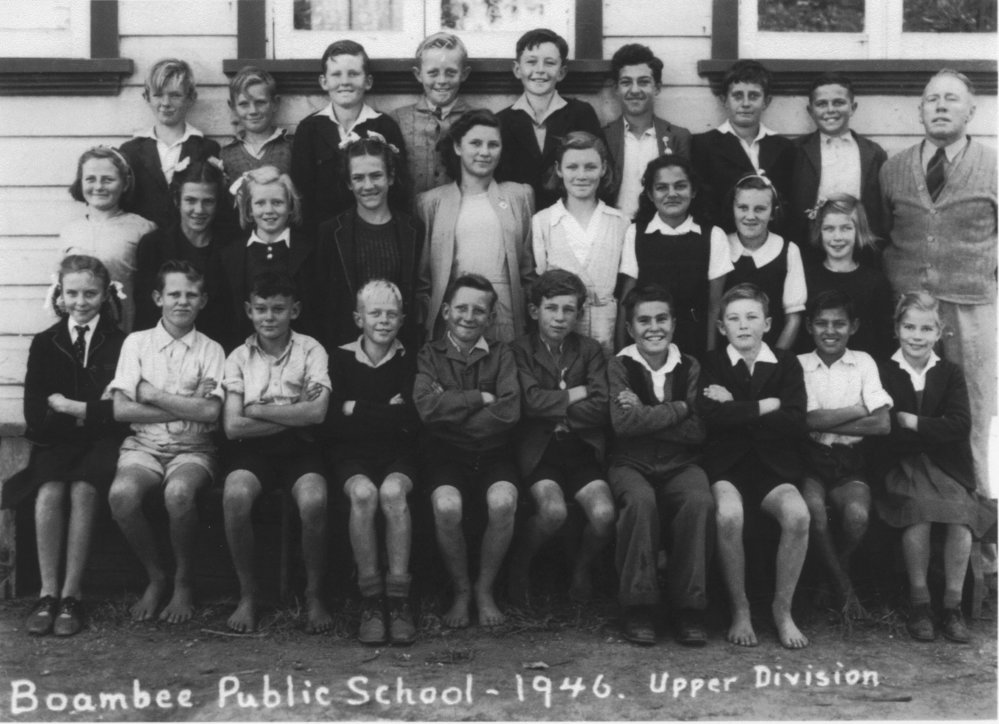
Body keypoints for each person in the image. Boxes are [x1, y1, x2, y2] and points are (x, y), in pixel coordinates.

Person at [880, 69, 997, 501]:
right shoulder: (893, 169)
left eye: (951, 99)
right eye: (932, 99)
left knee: (975, 417)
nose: (941, 106)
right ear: (920, 110)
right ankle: (911, 522)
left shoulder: (994, 166)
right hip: (907, 315)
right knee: (906, 413)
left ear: (972, 109)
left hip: (972, 309)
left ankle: (982, 545)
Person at [7, 256, 127, 636]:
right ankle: (48, 593)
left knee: (85, 491)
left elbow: (118, 411)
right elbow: (35, 412)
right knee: (47, 494)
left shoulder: (121, 342)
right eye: (72, 292)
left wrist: (72, 408)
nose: (80, 301)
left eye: (90, 293)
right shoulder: (46, 343)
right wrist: (83, 412)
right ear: (60, 293)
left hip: (100, 444)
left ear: (105, 295)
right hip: (57, 442)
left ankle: (72, 595)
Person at [874, 293, 996, 643]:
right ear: (896, 329)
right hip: (903, 467)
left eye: (926, 328)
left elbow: (959, 425)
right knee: (919, 513)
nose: (917, 335)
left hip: (946, 467)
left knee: (960, 517)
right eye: (909, 326)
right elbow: (889, 432)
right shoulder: (884, 370)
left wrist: (914, 422)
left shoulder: (949, 372)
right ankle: (919, 604)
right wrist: (930, 428)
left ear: (939, 332)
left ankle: (952, 607)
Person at [107, 260, 225, 624]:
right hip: (144, 447)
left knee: (179, 494)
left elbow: (210, 415)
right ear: (158, 297)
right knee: (122, 495)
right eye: (174, 293)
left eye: (191, 294)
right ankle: (156, 576)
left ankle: (184, 580)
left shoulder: (212, 350)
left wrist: (153, 394)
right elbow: (122, 410)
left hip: (193, 448)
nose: (182, 302)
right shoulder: (137, 343)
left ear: (203, 300)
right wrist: (187, 405)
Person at [698, 283, 810, 649]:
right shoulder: (711, 364)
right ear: (721, 327)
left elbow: (795, 420)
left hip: (773, 468)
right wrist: (766, 405)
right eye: (733, 318)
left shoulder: (786, 363)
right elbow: (713, 419)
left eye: (751, 317)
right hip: (727, 467)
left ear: (768, 323)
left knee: (798, 515)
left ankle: (782, 608)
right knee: (729, 515)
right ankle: (740, 608)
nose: (743, 325)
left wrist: (738, 407)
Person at [221, 272, 331, 635]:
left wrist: (256, 409)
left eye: (279, 309)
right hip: (252, 449)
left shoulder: (311, 349)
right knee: (235, 496)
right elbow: (233, 427)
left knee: (314, 499)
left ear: (294, 310)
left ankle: (314, 594)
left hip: (302, 449)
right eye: (261, 309)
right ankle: (248, 595)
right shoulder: (238, 357)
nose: (269, 317)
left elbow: (316, 414)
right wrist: (292, 414)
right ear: (248, 311)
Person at [608, 284, 714, 646]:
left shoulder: (690, 366)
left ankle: (689, 607)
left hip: (682, 464)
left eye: (662, 319)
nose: (653, 327)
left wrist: (646, 415)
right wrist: (679, 408)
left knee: (698, 500)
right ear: (629, 327)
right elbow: (624, 426)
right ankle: (639, 606)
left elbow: (699, 430)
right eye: (644, 320)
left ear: (673, 323)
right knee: (640, 502)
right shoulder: (619, 365)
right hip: (630, 462)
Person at [413, 274, 521, 628]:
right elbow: (426, 409)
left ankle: (484, 590)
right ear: (445, 311)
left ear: (490, 318)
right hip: (447, 456)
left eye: (479, 310)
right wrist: (478, 398)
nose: (469, 316)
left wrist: (452, 413)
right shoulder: (430, 354)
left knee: (503, 501)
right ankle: (460, 591)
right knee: (446, 505)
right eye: (461, 307)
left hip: (494, 454)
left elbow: (508, 411)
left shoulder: (503, 354)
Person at [508, 270, 614, 606]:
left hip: (580, 448)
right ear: (535, 310)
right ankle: (519, 566)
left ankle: (580, 569)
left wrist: (552, 403)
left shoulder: (590, 350)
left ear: (579, 314)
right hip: (541, 451)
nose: (559, 317)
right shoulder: (519, 350)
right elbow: (528, 402)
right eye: (552, 308)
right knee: (553, 511)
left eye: (568, 310)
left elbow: (600, 407)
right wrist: (576, 393)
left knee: (603, 513)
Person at [325, 280, 420, 645]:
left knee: (393, 493)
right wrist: (382, 410)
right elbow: (331, 419)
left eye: (391, 314)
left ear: (402, 319)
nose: (383, 321)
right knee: (363, 494)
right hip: (352, 455)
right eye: (375, 313)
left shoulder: (410, 359)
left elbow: (411, 419)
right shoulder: (339, 358)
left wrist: (356, 408)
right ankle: (370, 599)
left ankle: (398, 600)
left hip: (400, 454)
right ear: (358, 317)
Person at [798, 290, 892, 617]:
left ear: (853, 326)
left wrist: (829, 422)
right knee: (813, 508)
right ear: (809, 326)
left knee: (857, 516)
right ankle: (844, 588)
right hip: (810, 458)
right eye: (822, 323)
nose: (830, 330)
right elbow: (807, 421)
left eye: (839, 323)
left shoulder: (863, 362)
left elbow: (881, 423)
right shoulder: (800, 365)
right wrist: (856, 408)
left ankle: (834, 570)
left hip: (850, 460)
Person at [416, 109, 535, 344]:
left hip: (504, 313)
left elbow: (527, 269)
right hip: (453, 315)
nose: (484, 152)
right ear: (458, 147)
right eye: (475, 143)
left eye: (493, 145)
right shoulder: (430, 202)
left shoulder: (519, 195)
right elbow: (424, 278)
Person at [616, 155, 733, 358]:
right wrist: (620, 352)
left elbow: (715, 306)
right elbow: (626, 300)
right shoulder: (635, 233)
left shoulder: (713, 235)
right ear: (651, 195)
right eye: (662, 188)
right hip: (647, 341)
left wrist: (711, 357)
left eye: (680, 186)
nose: (672, 194)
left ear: (693, 191)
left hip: (694, 340)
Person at [316, 134, 423, 349]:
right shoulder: (331, 232)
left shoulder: (413, 229)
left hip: (401, 347)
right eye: (358, 178)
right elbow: (323, 299)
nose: (368, 185)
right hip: (346, 348)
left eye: (376, 176)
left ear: (391, 177)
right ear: (348, 182)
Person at [291, 40, 407, 233]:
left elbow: (399, 189)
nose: (344, 81)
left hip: (374, 232)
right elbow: (301, 193)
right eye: (336, 74)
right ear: (324, 81)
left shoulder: (385, 126)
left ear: (368, 81)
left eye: (353, 74)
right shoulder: (309, 129)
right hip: (322, 237)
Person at [531, 132, 628, 353]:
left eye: (590, 167)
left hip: (606, 330)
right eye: (572, 167)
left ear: (603, 168)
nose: (581, 175)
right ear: (559, 170)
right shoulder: (543, 221)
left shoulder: (620, 222)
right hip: (561, 328)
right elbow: (540, 278)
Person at [207, 166, 318, 351]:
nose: (269, 210)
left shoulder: (309, 250)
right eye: (260, 203)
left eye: (277, 202)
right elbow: (224, 315)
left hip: (299, 355)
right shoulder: (230, 255)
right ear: (249, 210)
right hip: (244, 355)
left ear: (290, 206)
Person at [497, 28, 604, 211]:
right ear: (517, 69)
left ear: (561, 72)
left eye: (549, 63)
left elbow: (600, 169)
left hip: (569, 220)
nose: (540, 70)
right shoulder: (501, 121)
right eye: (531, 62)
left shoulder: (581, 114)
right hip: (519, 221)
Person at [691, 60, 795, 236]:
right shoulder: (704, 145)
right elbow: (701, 206)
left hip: (772, 244)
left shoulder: (784, 148)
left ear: (766, 101)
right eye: (738, 96)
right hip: (723, 243)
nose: (745, 103)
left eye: (754, 96)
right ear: (725, 100)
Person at [60, 146, 156, 333]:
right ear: (81, 183)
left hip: (124, 333)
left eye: (108, 180)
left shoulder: (142, 229)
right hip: (79, 334)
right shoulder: (70, 231)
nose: (98, 187)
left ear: (125, 183)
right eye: (90, 179)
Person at [790, 73, 887, 257]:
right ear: (810, 111)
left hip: (860, 251)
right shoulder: (795, 151)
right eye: (821, 104)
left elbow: (882, 210)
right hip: (808, 251)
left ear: (853, 107)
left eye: (838, 102)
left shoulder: (873, 153)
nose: (830, 110)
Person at [118, 58, 222, 230]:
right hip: (144, 245)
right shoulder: (131, 150)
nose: (166, 103)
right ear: (146, 97)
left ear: (191, 98)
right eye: (158, 95)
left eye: (175, 95)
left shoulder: (207, 148)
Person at [602, 43, 692, 220]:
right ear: (616, 89)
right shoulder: (603, 137)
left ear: (657, 87)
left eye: (643, 82)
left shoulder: (678, 137)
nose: (635, 90)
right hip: (613, 230)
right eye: (626, 82)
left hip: (659, 232)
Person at [135, 160, 227, 331]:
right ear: (177, 200)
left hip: (218, 348)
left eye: (208, 201)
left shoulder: (231, 247)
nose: (199, 210)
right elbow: (144, 311)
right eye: (190, 200)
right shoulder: (154, 245)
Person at [798, 195, 893, 359]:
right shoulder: (805, 278)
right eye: (829, 228)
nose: (837, 237)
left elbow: (884, 342)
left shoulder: (875, 282)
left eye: (846, 228)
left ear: (858, 231)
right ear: (819, 232)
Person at [721, 174, 807, 351]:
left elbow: (793, 319)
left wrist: (773, 364)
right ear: (733, 209)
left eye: (760, 209)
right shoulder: (721, 245)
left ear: (773, 212)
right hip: (726, 357)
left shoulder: (788, 250)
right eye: (743, 208)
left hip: (774, 353)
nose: (750, 216)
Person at [391, 33, 472, 197]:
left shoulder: (477, 120)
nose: (442, 80)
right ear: (418, 74)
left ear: (464, 74)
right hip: (411, 218)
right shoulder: (398, 120)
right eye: (433, 73)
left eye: (451, 73)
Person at [221, 66, 292, 180]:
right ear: (233, 107)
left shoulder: (292, 148)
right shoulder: (226, 154)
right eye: (244, 104)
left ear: (275, 103)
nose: (253, 111)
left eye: (260, 102)